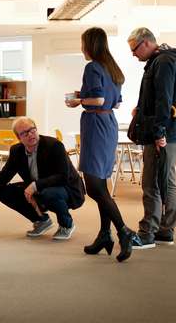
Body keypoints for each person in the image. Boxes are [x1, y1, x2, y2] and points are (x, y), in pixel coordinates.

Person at [65, 27, 135, 262]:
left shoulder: (93, 67)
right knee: (101, 184)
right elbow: (114, 104)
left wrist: (78, 100)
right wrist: (84, 94)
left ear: (90, 45)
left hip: (95, 125)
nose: (81, 48)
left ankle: (123, 231)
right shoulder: (112, 68)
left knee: (94, 187)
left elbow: (98, 99)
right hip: (108, 123)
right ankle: (105, 234)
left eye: (83, 43)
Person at [0, 117, 85, 240]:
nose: (30, 134)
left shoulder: (54, 145)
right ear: (18, 138)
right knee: (5, 192)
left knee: (49, 193)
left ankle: (66, 224)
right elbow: (4, 175)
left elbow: (63, 176)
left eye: (32, 130)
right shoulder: (17, 150)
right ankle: (41, 220)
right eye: (25, 133)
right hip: (40, 188)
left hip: (67, 188)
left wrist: (34, 186)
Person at [127, 27, 176, 249]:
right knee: (166, 180)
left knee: (152, 182)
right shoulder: (165, 60)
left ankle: (148, 232)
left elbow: (164, 101)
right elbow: (159, 98)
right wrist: (141, 108)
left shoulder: (163, 62)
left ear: (145, 43)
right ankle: (165, 230)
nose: (133, 54)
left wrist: (159, 133)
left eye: (134, 49)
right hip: (170, 131)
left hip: (163, 133)